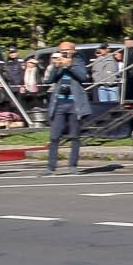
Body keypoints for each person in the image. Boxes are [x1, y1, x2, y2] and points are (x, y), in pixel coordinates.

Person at [41, 43, 95, 174]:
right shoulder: (58, 62)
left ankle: (73, 165)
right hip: (59, 103)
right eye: (61, 51)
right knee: (54, 136)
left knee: (75, 136)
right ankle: (50, 166)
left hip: (74, 104)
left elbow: (83, 77)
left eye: (65, 51)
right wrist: (56, 66)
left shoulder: (79, 61)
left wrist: (70, 65)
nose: (63, 53)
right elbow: (49, 80)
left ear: (72, 51)